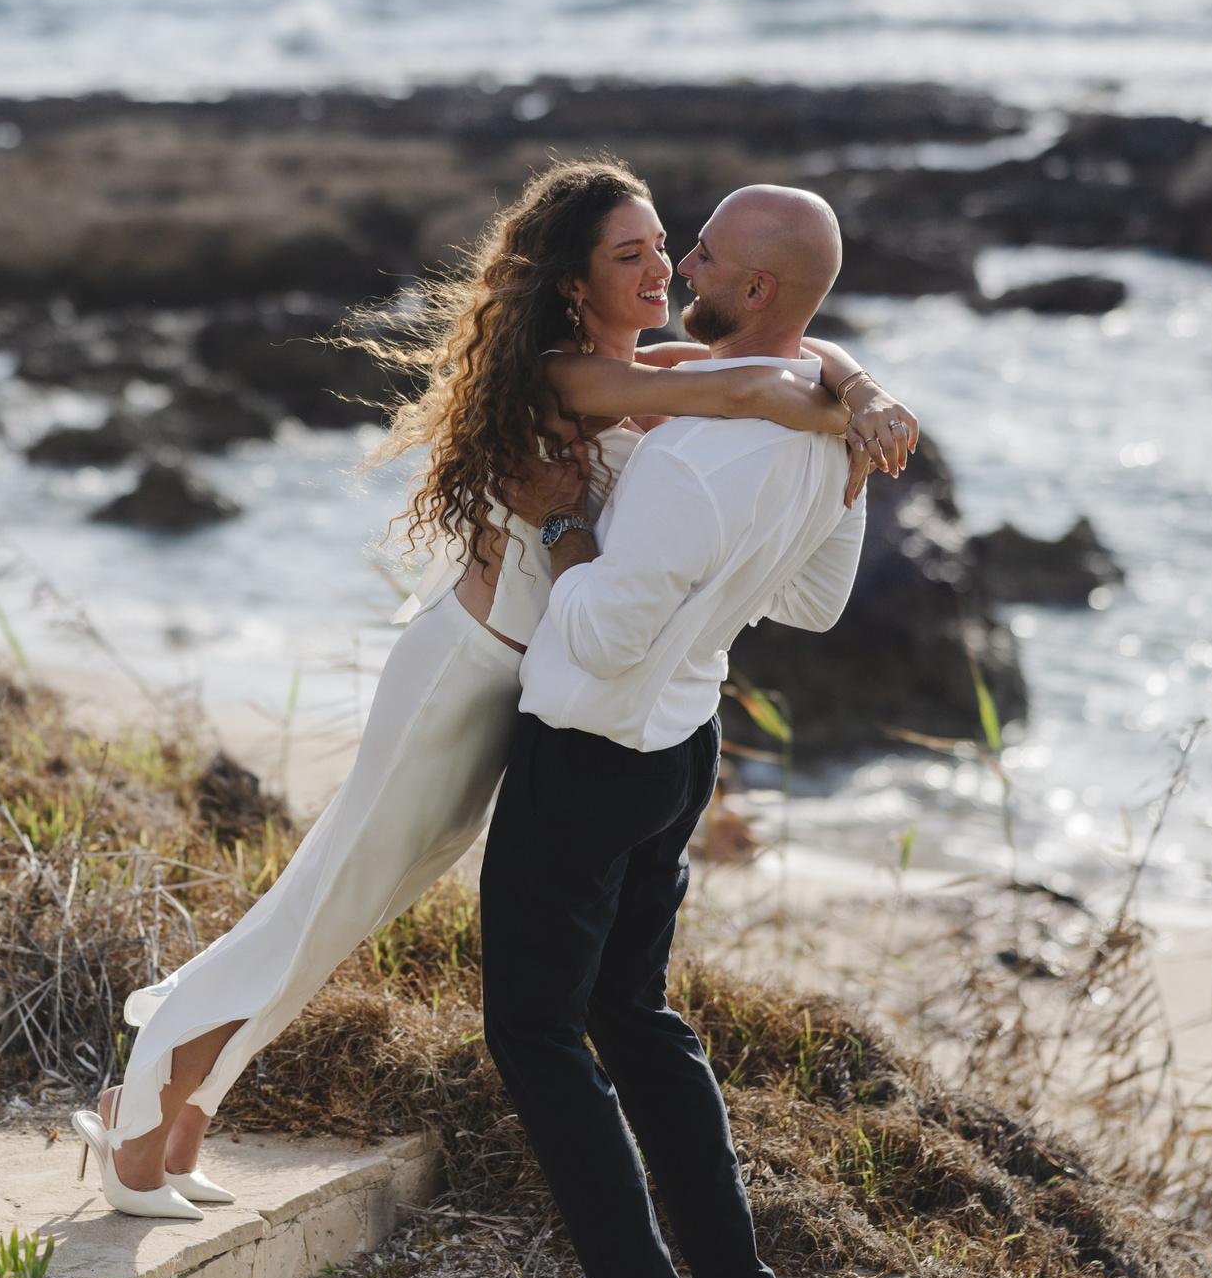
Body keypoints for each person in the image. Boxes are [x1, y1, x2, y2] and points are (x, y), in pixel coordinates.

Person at [65, 162, 917, 1223]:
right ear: (570, 282)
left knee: (344, 909)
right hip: (461, 676)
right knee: (328, 902)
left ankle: (178, 1110)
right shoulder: (574, 376)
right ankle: (141, 1108)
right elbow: (751, 378)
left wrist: (861, 388)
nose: (662, 266)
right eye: (632, 254)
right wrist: (844, 396)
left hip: (524, 675)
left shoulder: (639, 360)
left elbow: (795, 352)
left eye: (666, 246)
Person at [489, 184, 869, 1278]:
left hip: (594, 748)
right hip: (682, 747)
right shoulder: (823, 418)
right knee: (634, 1012)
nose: (681, 269)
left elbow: (595, 640)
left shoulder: (693, 458)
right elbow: (814, 606)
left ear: (754, 290)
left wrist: (561, 532)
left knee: (536, 1031)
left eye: (701, 254)